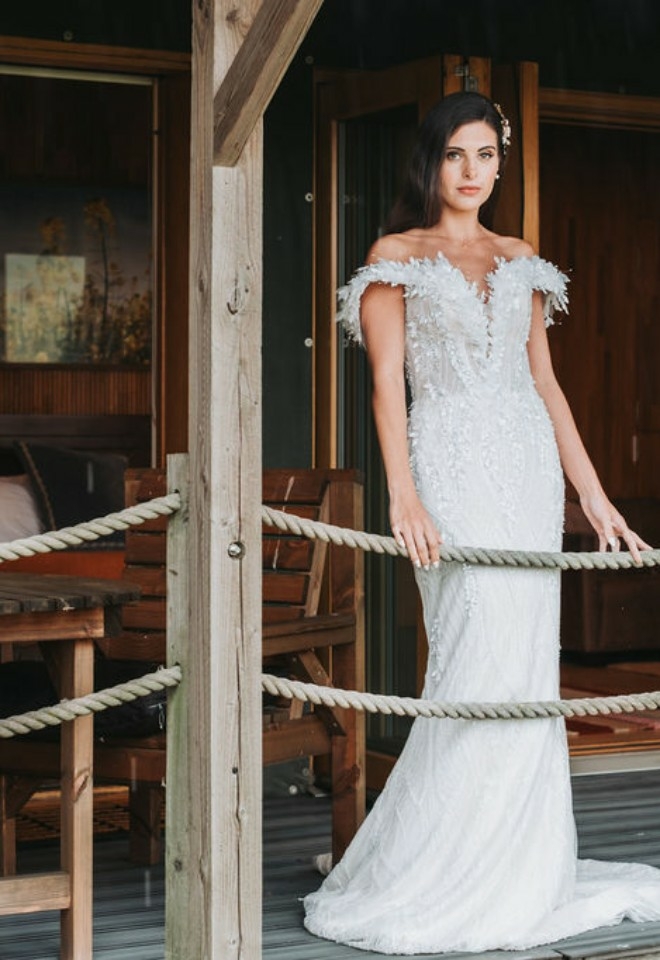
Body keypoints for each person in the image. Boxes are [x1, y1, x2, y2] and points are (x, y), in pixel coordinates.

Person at [303, 91, 660, 955]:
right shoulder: (396, 256)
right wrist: (405, 496)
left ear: (501, 164)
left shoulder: (520, 257)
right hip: (451, 468)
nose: (474, 173)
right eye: (458, 155)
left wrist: (593, 495)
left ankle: (520, 868)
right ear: (430, 162)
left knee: (523, 670)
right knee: (473, 663)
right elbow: (388, 389)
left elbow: (547, 384)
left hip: (527, 470)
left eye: (488, 156)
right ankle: (440, 867)